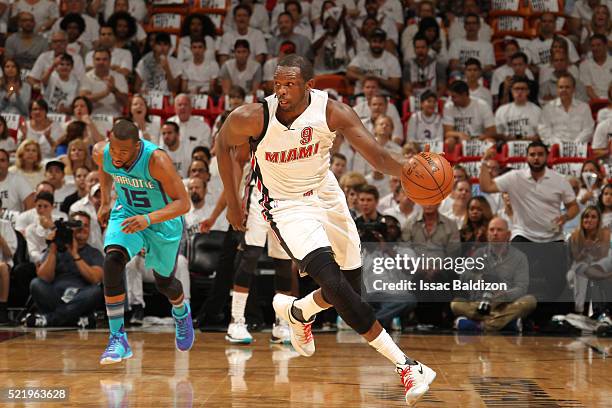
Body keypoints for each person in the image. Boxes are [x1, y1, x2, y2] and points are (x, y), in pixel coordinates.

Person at [216, 54, 436, 405]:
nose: (282, 91)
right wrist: (231, 200)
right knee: (333, 285)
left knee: (350, 290)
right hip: (286, 206)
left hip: (326, 193)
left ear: (309, 86)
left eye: (290, 84)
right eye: (277, 84)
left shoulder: (333, 112)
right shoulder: (253, 116)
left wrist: (406, 169)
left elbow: (377, 157)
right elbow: (222, 144)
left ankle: (299, 311)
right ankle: (407, 366)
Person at [93, 119, 194, 364]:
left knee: (164, 283)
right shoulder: (101, 152)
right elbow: (105, 169)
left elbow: (183, 203)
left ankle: (181, 311)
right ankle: (118, 338)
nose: (117, 156)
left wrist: (148, 219)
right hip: (127, 213)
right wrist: (106, 201)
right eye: (114, 149)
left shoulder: (156, 160)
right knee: (113, 260)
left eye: (123, 152)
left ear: (137, 146)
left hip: (161, 220)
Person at [451, 217, 537, 332]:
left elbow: (522, 287)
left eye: (499, 230)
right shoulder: (479, 254)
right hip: (480, 302)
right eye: (491, 230)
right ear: (487, 234)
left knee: (530, 301)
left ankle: (479, 325)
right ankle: (504, 323)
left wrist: (505, 294)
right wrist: (479, 278)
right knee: (456, 303)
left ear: (508, 234)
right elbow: (463, 276)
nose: (495, 233)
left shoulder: (519, 257)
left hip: (506, 303)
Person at [26, 211, 103, 327]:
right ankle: (76, 319)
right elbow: (43, 277)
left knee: (96, 291)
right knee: (35, 284)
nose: (82, 228)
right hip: (55, 296)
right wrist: (52, 249)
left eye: (86, 225)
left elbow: (95, 279)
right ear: (70, 228)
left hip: (80, 296)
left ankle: (49, 319)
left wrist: (75, 255)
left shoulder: (94, 253)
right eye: (78, 225)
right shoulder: (56, 249)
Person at [538, 74, 594, 145]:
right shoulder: (548, 108)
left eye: (567, 87)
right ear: (557, 89)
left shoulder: (584, 107)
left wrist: (574, 144)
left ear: (573, 89)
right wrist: (559, 144)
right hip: (555, 148)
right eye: (561, 87)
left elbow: (588, 129)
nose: (564, 90)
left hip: (579, 148)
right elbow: (544, 131)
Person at [495, 76, 542, 141]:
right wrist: (506, 137)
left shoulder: (537, 110)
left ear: (528, 91)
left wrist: (529, 139)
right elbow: (497, 133)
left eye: (523, 89)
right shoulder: (502, 110)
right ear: (511, 91)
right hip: (508, 145)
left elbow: (541, 133)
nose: (519, 92)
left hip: (531, 146)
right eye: (516, 89)